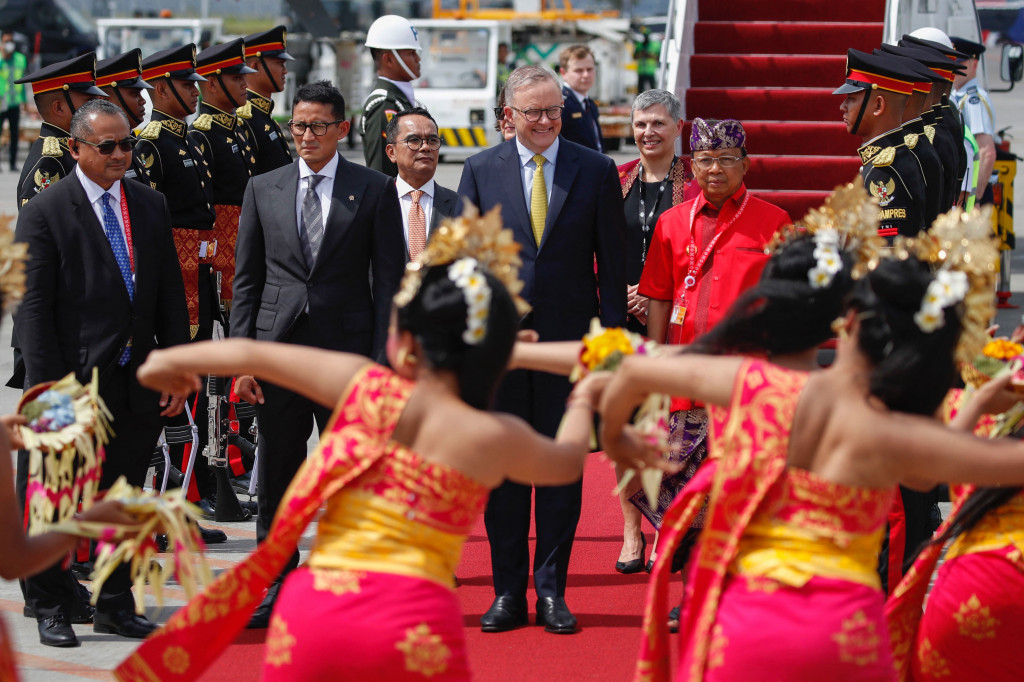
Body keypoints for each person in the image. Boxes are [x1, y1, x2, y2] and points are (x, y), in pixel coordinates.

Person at [115, 214, 662, 682]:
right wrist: (584, 396)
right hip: (411, 626)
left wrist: (172, 366)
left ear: (403, 345)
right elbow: (569, 458)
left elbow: (230, 352)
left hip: (316, 617)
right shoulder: (493, 436)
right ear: (495, 353)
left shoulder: (362, 384)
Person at [606, 212, 1024, 681]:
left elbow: (629, 363)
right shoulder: (892, 431)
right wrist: (981, 399)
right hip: (848, 631)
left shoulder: (755, 384)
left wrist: (612, 435)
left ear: (846, 322)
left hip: (751, 621)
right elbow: (928, 474)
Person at [13, 99, 189, 647]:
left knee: (125, 495)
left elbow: (167, 297)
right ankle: (49, 604)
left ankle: (114, 602)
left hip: (134, 378)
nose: (120, 155)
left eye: (127, 144)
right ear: (76, 148)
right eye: (107, 145)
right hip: (68, 383)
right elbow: (32, 310)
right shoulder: (45, 212)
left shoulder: (149, 204)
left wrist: (176, 368)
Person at [230, 80, 405, 629]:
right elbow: (246, 281)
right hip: (278, 353)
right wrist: (243, 360)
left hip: (347, 357)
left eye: (317, 126)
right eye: (298, 126)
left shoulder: (374, 189)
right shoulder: (264, 187)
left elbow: (389, 281)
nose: (305, 136)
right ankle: (275, 580)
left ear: (342, 129)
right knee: (280, 471)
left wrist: (381, 360)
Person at [458, 64, 627, 634]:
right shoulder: (481, 171)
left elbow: (614, 266)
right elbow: (466, 265)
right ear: (509, 114)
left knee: (560, 471)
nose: (546, 121)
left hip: (567, 349)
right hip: (502, 352)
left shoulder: (595, 169)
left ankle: (552, 591)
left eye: (554, 109)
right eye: (533, 111)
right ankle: (508, 592)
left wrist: (609, 350)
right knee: (504, 474)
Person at [637, 117, 789, 568]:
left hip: (743, 378)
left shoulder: (774, 222)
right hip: (684, 375)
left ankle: (729, 573)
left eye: (726, 160)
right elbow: (660, 299)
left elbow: (784, 305)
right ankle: (692, 574)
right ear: (693, 165)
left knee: (737, 481)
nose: (715, 170)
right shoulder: (671, 222)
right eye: (705, 160)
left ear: (745, 166)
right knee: (681, 483)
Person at [134, 45, 227, 529]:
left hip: (202, 276)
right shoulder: (149, 144)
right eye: (186, 84)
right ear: (162, 88)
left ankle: (184, 501)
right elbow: (151, 227)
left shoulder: (190, 139)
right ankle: (167, 505)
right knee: (174, 400)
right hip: (178, 279)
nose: (195, 91)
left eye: (195, 84)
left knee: (193, 397)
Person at [613, 88, 696, 573]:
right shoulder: (616, 179)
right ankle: (630, 533)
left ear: (678, 128)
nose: (648, 133)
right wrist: (621, 291)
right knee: (625, 429)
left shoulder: (697, 183)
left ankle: (672, 526)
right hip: (622, 323)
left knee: (673, 432)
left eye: (658, 124)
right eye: (641, 124)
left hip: (678, 322)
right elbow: (597, 245)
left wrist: (659, 295)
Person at [188, 38, 257, 310]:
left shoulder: (241, 128)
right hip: (222, 253)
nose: (245, 84)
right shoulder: (201, 134)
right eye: (236, 78)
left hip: (245, 243)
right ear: (213, 84)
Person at [835, 49, 929, 240]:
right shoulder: (887, 160)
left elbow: (885, 252)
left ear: (878, 106)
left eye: (851, 99)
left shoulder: (886, 170)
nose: (842, 106)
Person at [14, 53, 106, 209]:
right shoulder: (50, 162)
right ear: (58, 108)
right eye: (89, 100)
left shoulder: (72, 149)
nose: (97, 106)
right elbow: (40, 228)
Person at [385, 107, 459, 260]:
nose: (425, 147)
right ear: (392, 152)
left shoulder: (459, 205)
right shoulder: (373, 202)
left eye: (432, 140)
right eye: (414, 140)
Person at [361, 15, 421, 176]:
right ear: (388, 60)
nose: (418, 59)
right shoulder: (384, 105)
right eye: (411, 53)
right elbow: (381, 172)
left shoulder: (397, 99)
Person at [95, 49, 155, 188]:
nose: (142, 101)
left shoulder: (131, 141)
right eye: (134, 94)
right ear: (105, 99)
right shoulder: (97, 150)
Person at [241, 25, 295, 176]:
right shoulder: (245, 120)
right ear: (256, 66)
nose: (285, 71)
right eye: (280, 64)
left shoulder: (263, 115)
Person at [951, 36, 997, 204]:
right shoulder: (958, 96)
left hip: (972, 194)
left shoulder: (973, 100)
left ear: (974, 64)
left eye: (960, 64)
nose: (955, 69)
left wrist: (975, 198)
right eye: (953, 63)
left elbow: (987, 152)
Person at [558, 44, 602, 152]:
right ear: (563, 73)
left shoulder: (590, 104)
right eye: (579, 70)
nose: (586, 75)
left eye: (589, 69)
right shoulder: (560, 105)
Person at [0, 32, 27, 171]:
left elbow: (22, 81)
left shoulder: (20, 59)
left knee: (14, 134)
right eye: (6, 41)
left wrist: (25, 101)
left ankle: (12, 163)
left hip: (14, 102)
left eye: (11, 41)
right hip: (1, 102)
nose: (9, 44)